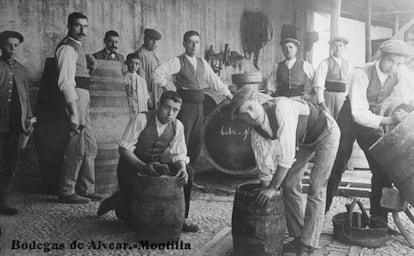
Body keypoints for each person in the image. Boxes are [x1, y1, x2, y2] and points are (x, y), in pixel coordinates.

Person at [229, 87, 340, 256]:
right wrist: (267, 191)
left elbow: (286, 158)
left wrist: (272, 189)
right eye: (244, 115)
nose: (250, 115)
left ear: (257, 100)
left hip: (326, 133)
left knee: (316, 187)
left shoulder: (281, 108)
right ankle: (297, 237)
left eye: (250, 108)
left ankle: (308, 245)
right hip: (304, 140)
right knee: (288, 184)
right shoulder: (257, 134)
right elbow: (264, 168)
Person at [325, 40, 413, 225]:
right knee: (337, 165)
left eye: (399, 63)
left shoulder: (400, 70)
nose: (394, 67)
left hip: (373, 120)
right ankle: (319, 214)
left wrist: (405, 110)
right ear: (381, 57)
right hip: (350, 118)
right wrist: (389, 120)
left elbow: (411, 96)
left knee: (383, 169)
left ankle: (378, 221)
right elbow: (358, 113)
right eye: (390, 61)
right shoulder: (360, 73)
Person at [97, 91, 199, 232]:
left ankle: (180, 219)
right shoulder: (141, 119)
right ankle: (117, 200)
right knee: (133, 222)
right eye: (166, 107)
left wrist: (182, 168)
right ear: (158, 105)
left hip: (155, 163)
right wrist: (143, 166)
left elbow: (179, 154)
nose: (170, 114)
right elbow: (124, 150)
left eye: (175, 110)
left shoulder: (177, 126)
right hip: (132, 163)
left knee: (189, 172)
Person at [153, 30, 232, 169]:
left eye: (197, 42)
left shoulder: (202, 63)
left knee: (196, 142)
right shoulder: (178, 61)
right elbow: (157, 74)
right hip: (185, 107)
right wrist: (168, 88)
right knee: (182, 139)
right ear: (184, 44)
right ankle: (177, 171)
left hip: (199, 106)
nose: (194, 45)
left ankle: (190, 175)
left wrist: (228, 94)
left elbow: (214, 80)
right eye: (190, 42)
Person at [56, 12, 101, 204]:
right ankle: (67, 190)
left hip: (84, 97)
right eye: (77, 26)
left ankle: (86, 188)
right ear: (69, 26)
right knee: (76, 146)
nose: (82, 30)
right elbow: (66, 82)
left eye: (85, 26)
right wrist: (74, 112)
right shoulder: (67, 48)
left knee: (90, 146)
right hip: (76, 99)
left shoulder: (78, 48)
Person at [0, 31, 34, 215]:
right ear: (1, 46)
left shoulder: (22, 70)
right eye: (8, 45)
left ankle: (2, 201)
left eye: (15, 45)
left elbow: (26, 98)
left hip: (16, 125)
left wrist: (29, 119)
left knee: (11, 164)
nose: (12, 48)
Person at [314, 36, 350, 118]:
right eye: (335, 46)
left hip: (342, 98)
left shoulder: (347, 63)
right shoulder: (325, 63)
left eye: (341, 46)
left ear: (344, 48)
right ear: (331, 47)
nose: (338, 48)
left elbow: (348, 84)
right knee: (327, 122)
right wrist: (322, 103)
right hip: (328, 98)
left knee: (341, 123)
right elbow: (319, 86)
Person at [134, 28, 162, 108]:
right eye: (151, 39)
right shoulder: (140, 55)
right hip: (147, 96)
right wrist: (147, 98)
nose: (154, 43)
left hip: (156, 95)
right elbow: (140, 80)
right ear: (145, 39)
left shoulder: (153, 54)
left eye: (156, 40)